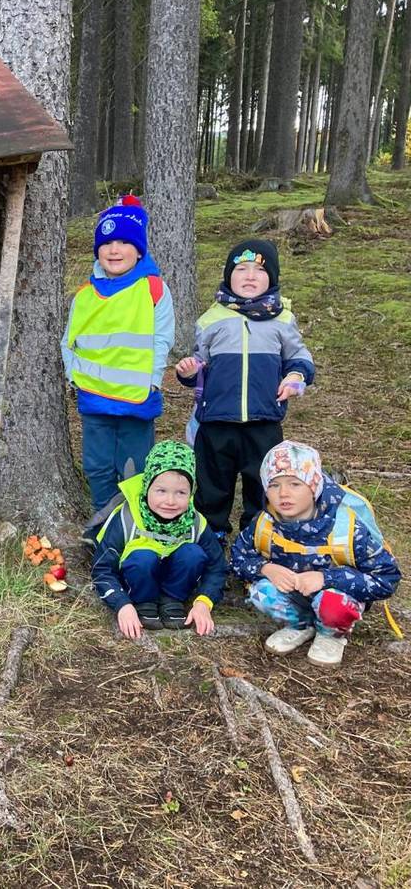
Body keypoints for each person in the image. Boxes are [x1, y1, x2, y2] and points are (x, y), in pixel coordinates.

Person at [176, 240, 314, 542]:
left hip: (263, 420)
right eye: (241, 269)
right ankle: (211, 534)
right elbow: (201, 364)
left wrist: (295, 376)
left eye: (259, 270)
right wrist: (189, 372)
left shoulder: (282, 319)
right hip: (216, 420)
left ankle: (258, 535)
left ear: (272, 279)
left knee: (261, 481)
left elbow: (300, 357)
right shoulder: (212, 319)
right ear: (229, 276)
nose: (250, 276)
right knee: (213, 481)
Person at [232, 440, 401, 667]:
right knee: (261, 593)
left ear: (314, 486)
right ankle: (300, 625)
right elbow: (238, 557)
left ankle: (331, 635)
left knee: (332, 604)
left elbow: (387, 579)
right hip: (293, 594)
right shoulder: (265, 523)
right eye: (273, 485)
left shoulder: (346, 528)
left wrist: (326, 578)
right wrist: (265, 568)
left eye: (295, 483)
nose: (283, 494)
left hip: (336, 598)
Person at [62, 195, 174, 522]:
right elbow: (69, 340)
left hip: (136, 401)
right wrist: (73, 377)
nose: (114, 249)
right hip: (94, 399)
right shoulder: (85, 294)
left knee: (135, 467)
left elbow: (162, 337)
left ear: (139, 250)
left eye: (125, 242)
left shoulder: (153, 289)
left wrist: (153, 381)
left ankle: (135, 523)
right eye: (107, 242)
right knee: (97, 465)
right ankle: (103, 521)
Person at [92, 441, 226, 638]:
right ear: (147, 487)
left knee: (193, 554)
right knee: (142, 557)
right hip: (137, 580)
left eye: (180, 493)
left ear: (191, 492)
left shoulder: (195, 522)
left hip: (177, 582)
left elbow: (217, 567)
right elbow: (101, 569)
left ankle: (172, 599)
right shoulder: (127, 518)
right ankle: (144, 601)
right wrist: (121, 604)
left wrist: (204, 601)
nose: (170, 501)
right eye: (161, 491)